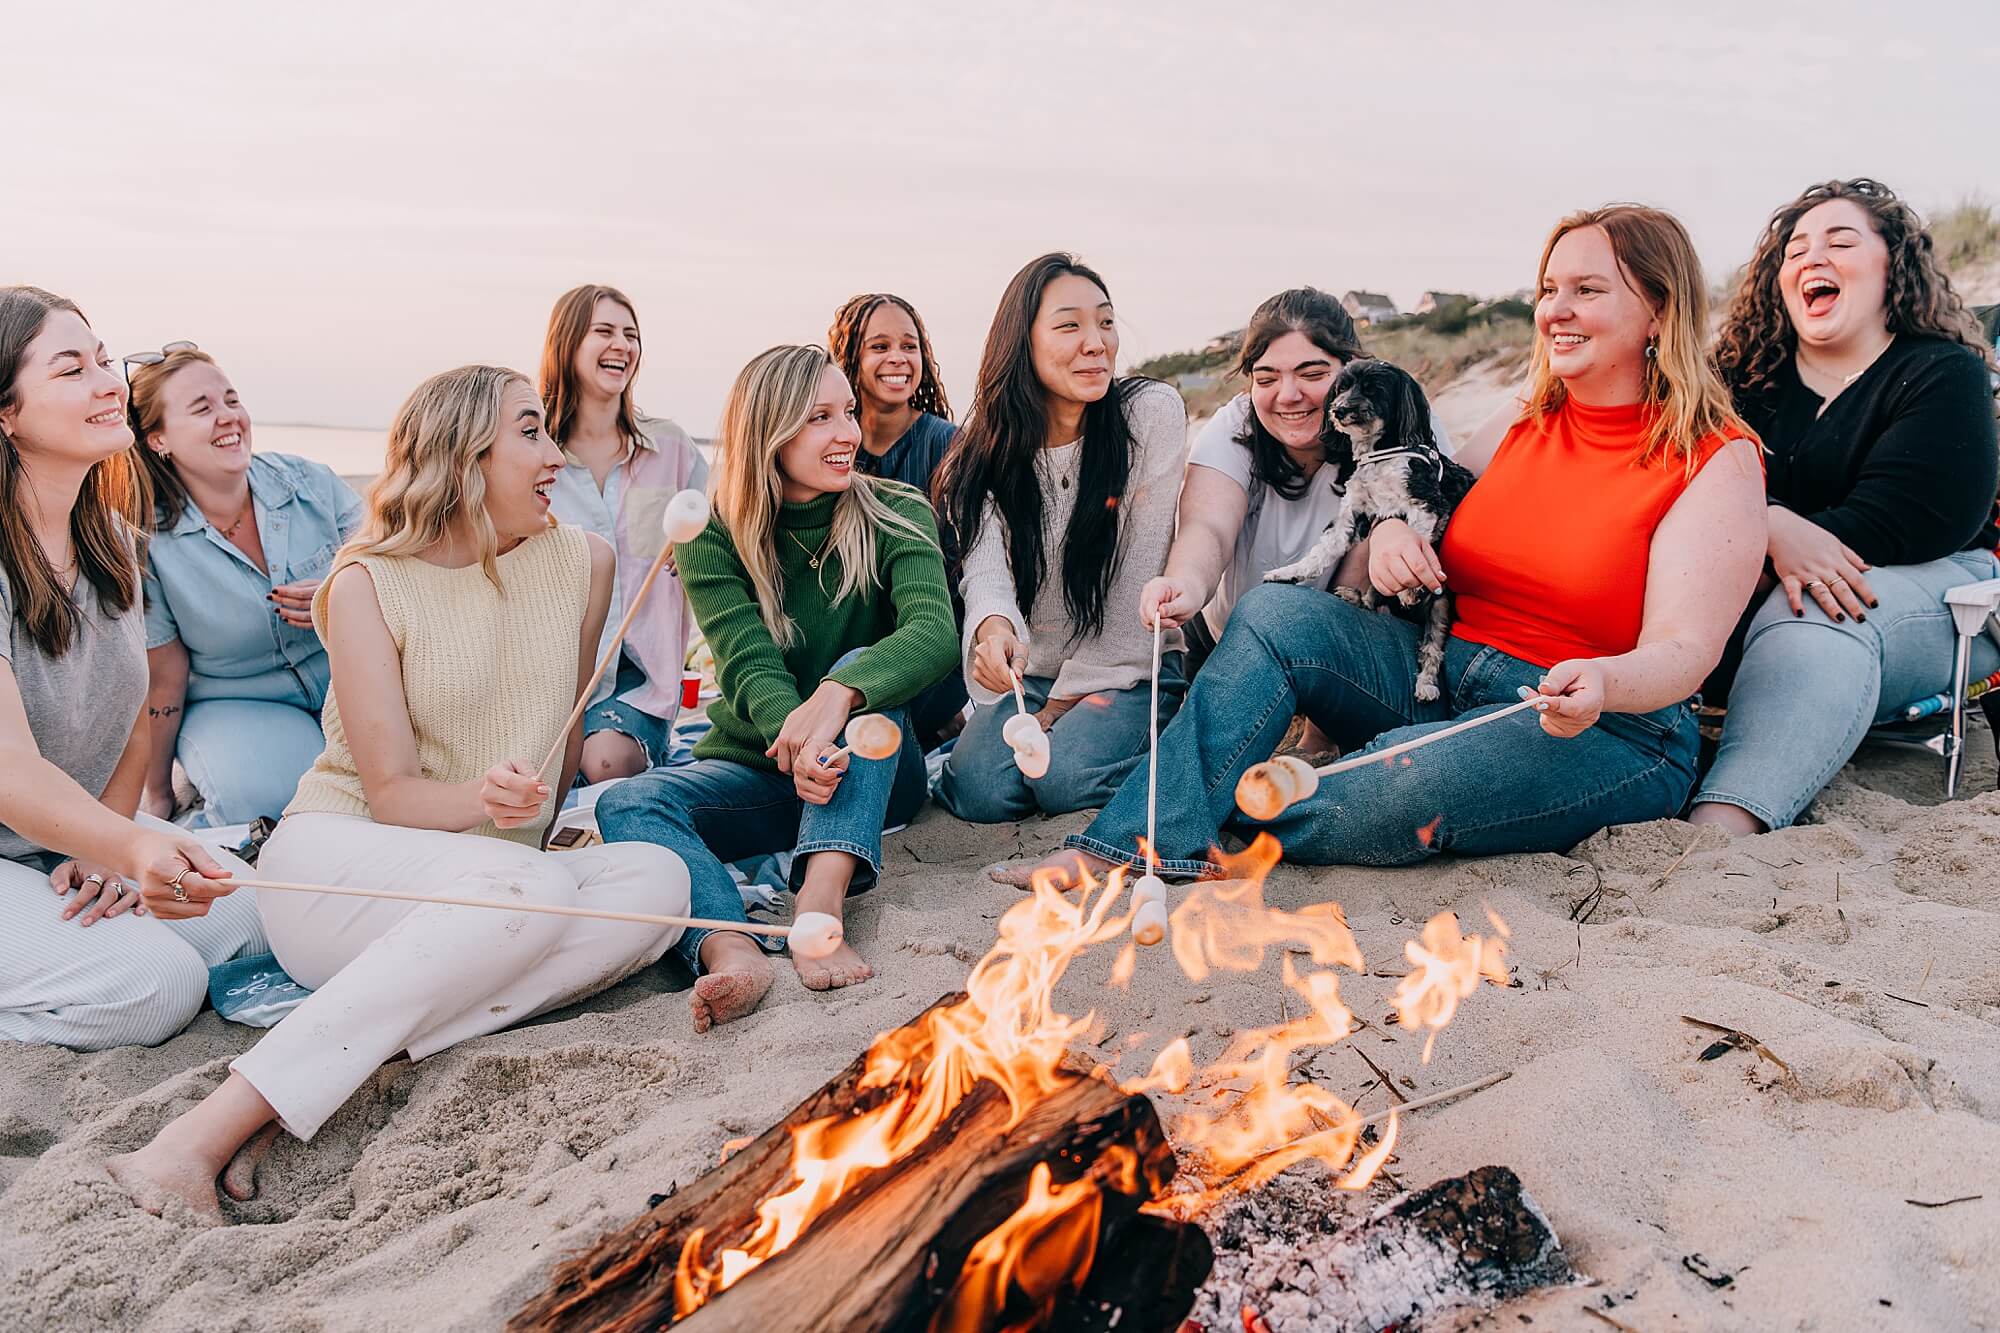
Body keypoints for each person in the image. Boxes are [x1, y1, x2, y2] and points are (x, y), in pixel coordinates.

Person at [996, 205, 1766, 885]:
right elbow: (1426, 495)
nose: (1556, 310)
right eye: (1549, 290)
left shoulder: (1714, 456)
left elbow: (1684, 650)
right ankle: (1124, 846)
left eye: (1587, 291)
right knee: (1272, 609)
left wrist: (1603, 680)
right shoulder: (1525, 416)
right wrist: (1392, 525)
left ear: (1661, 311)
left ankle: (1216, 809)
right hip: (1445, 674)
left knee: (1395, 785)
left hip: (1602, 723)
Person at [108, 364, 691, 1222]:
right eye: (529, 432)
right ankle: (194, 1134)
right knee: (531, 886)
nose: (555, 456)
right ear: (462, 457)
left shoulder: (588, 562)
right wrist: (485, 807)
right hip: (342, 864)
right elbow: (390, 794)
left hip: (496, 880)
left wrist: (525, 818)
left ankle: (349, 1064)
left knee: (657, 883)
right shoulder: (366, 582)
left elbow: (560, 753)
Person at [594, 345, 957, 1030]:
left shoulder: (898, 510)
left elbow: (933, 632)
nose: (848, 432)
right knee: (629, 803)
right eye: (820, 417)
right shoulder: (710, 531)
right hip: (763, 763)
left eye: (847, 412)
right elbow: (747, 662)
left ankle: (818, 902)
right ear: (770, 431)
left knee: (864, 677)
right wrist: (800, 738)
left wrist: (841, 692)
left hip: (877, 768)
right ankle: (731, 948)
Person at [0, 286, 265, 1050]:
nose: (109, 383)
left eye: (103, 360)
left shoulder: (115, 545)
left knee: (245, 915)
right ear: (6, 411)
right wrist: (132, 850)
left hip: (58, 839)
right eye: (71, 369)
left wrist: (104, 844)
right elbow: (10, 767)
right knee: (156, 986)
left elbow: (133, 710)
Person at [1691, 179, 2000, 833]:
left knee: (1813, 604)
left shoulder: (1943, 373)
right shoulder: (1740, 378)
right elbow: (1674, 486)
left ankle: (1729, 821)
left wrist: (1756, 535)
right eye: (1795, 249)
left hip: (1944, 592)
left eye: (1840, 240)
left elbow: (1904, 519)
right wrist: (1771, 527)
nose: (1811, 258)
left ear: (1893, 264)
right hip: (1751, 577)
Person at [932, 254, 1190, 822]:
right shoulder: (977, 458)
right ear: (1021, 343)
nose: (1096, 342)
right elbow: (987, 573)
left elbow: (1138, 574)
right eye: (1069, 325)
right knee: (981, 793)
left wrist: (1066, 702)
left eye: (1105, 321)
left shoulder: (1149, 415)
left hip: (1130, 667)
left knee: (1066, 780)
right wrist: (993, 631)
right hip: (1036, 673)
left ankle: (1171, 733)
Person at [1143, 288, 1455, 655]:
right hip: (1224, 637)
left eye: (1312, 373)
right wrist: (1186, 583)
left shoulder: (1401, 423)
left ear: (1352, 367)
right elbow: (1208, 527)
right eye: (1266, 378)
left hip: (1345, 639)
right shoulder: (1234, 426)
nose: (1288, 395)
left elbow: (1439, 510)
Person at [127, 345, 363, 826]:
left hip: (353, 676)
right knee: (276, 800)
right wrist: (155, 794)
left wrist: (343, 591)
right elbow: (165, 675)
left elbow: (391, 566)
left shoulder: (310, 482)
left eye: (231, 400)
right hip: (242, 700)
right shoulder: (148, 542)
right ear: (158, 440)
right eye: (203, 408)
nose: (227, 417)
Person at [540, 284, 707, 784]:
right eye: (604, 331)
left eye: (631, 335)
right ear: (567, 344)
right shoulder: (533, 452)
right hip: (547, 674)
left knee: (603, 763)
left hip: (637, 680)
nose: (622, 345)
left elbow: (719, 533)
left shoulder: (671, 447)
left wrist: (699, 550)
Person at [828, 292, 966, 747]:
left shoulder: (949, 446)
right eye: (880, 346)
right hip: (844, 642)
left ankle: (930, 723)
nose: (898, 359)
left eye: (910, 346)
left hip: (931, 644)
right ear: (851, 359)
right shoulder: (829, 448)